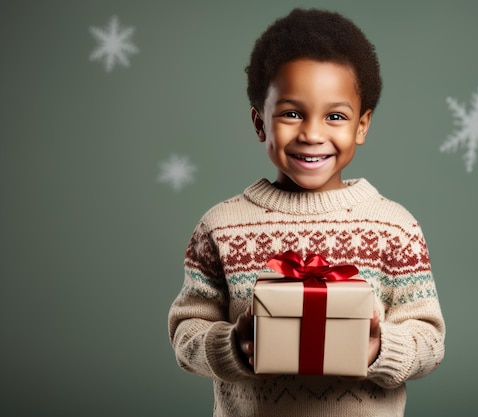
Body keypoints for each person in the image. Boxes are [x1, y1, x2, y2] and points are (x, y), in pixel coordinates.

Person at [168, 8, 445, 417]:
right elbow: (186, 334)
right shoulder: (220, 227)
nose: (313, 134)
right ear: (260, 122)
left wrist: (381, 348)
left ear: (362, 125)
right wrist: (232, 345)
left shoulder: (395, 229)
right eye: (291, 113)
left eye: (335, 116)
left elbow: (430, 340)